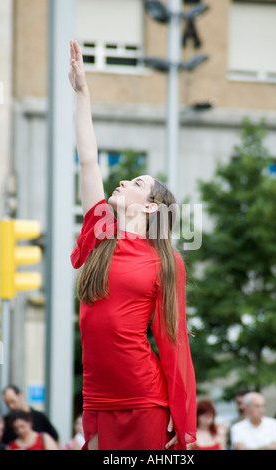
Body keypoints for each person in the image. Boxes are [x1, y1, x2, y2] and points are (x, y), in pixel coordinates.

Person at [68, 39, 197, 450]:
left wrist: (183, 417)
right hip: (98, 398)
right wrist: (82, 92)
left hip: (144, 399)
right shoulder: (101, 232)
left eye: (136, 183)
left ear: (152, 207)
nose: (122, 182)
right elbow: (88, 160)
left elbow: (174, 341)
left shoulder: (165, 261)